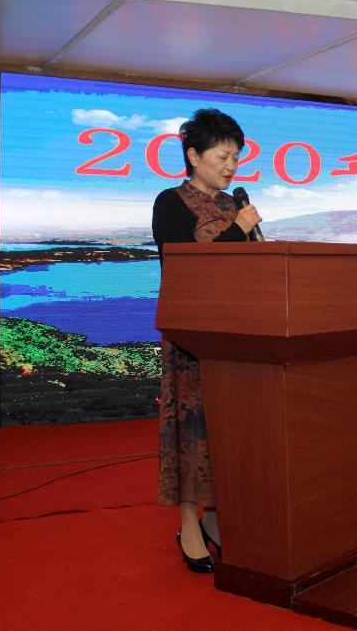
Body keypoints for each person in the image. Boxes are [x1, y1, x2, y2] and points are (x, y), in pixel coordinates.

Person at [151, 108, 262, 573]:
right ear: (194, 156)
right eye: (222, 156)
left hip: (237, 337)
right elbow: (185, 269)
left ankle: (217, 516)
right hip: (192, 337)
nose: (231, 166)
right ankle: (188, 524)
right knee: (191, 431)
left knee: (227, 428)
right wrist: (238, 231)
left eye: (236, 157)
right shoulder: (170, 202)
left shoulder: (236, 205)